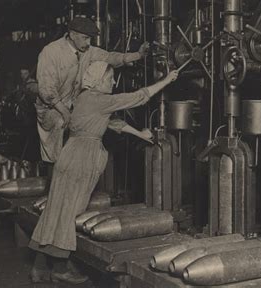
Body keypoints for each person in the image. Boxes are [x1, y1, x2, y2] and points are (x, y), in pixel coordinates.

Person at [28, 61, 179, 284]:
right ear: (99, 80)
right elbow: (139, 96)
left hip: (71, 155)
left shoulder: (85, 98)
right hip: (81, 159)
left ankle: (39, 268)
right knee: (69, 212)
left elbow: (112, 123)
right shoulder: (99, 99)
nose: (113, 82)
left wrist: (139, 134)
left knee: (57, 210)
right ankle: (60, 268)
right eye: (110, 78)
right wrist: (166, 81)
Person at [36, 17, 149, 165]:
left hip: (73, 104)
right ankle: (56, 173)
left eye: (90, 39)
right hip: (51, 108)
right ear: (72, 34)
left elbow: (110, 57)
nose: (88, 43)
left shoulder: (88, 51)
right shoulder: (51, 52)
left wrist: (138, 55)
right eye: (85, 38)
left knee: (100, 120)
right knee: (59, 130)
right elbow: (46, 89)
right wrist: (64, 111)